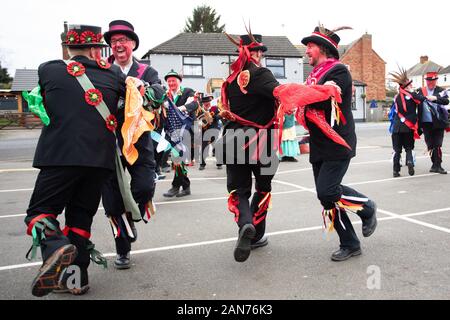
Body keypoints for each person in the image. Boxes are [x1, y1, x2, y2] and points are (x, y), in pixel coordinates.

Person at [24, 24, 132, 296]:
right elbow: (122, 115)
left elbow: (46, 104)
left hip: (61, 155)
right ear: (97, 49)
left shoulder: (47, 69)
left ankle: (55, 246)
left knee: (40, 213)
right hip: (99, 160)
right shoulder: (115, 76)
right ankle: (77, 280)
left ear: (67, 47)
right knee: (80, 218)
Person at [301, 25, 377, 261]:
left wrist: (296, 93)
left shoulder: (339, 72)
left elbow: (325, 96)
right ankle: (350, 243)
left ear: (322, 48)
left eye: (310, 46)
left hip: (338, 142)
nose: (306, 52)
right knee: (325, 198)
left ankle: (367, 207)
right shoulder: (312, 76)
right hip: (319, 143)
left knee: (328, 190)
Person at [101, 20, 162, 269]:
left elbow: (159, 93)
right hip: (109, 142)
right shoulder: (102, 70)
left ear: (133, 44)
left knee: (145, 187)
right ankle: (122, 249)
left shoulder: (146, 71)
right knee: (113, 198)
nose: (118, 45)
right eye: (114, 41)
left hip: (139, 141)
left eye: (123, 40)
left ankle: (133, 215)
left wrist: (144, 88)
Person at [219, 31, 279, 262]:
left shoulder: (231, 79)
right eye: (257, 51)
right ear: (252, 52)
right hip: (262, 140)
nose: (259, 55)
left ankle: (246, 224)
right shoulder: (261, 73)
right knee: (263, 189)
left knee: (238, 190)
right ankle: (256, 233)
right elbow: (279, 94)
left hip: (234, 137)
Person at [162, 70, 199, 198]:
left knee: (178, 158)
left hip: (186, 131)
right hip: (172, 132)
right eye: (169, 81)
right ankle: (186, 186)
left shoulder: (188, 91)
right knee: (178, 159)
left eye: (174, 80)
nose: (171, 83)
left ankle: (175, 186)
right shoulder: (166, 95)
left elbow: (193, 104)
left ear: (179, 81)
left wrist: (178, 109)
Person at [389, 67, 426, 177]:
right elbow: (422, 99)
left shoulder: (396, 97)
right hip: (408, 127)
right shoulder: (412, 95)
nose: (412, 86)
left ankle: (396, 171)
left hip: (396, 127)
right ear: (406, 86)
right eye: (410, 84)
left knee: (397, 150)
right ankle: (410, 162)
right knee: (409, 148)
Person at [417, 71, 449, 174]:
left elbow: (446, 101)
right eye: (428, 81)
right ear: (426, 81)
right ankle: (434, 165)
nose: (430, 83)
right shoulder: (420, 91)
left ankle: (438, 165)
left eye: (432, 81)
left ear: (436, 81)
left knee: (437, 144)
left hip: (438, 121)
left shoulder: (441, 90)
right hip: (426, 122)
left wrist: (436, 98)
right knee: (430, 145)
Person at [199, 94, 223, 170]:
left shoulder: (214, 108)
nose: (207, 103)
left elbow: (220, 115)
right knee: (203, 148)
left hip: (214, 130)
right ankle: (202, 164)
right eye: (205, 102)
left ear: (210, 102)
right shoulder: (199, 110)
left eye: (208, 102)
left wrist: (213, 116)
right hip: (204, 131)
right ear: (203, 103)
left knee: (216, 147)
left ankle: (219, 163)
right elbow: (196, 119)